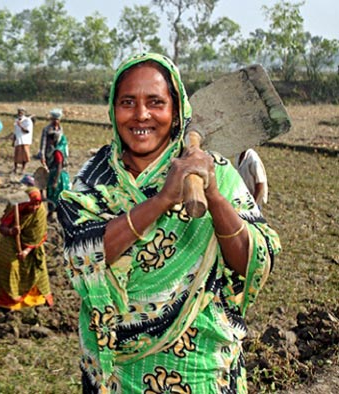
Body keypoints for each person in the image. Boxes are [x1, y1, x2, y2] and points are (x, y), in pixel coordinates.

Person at [56, 53, 281, 393]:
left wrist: (216, 198)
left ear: (176, 113)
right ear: (113, 109)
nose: (141, 115)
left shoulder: (215, 170)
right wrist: (161, 201)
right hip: (117, 372)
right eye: (127, 102)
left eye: (156, 103)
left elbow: (254, 260)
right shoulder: (95, 178)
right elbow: (82, 253)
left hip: (200, 370)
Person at [0, 187, 53, 310]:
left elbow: (37, 236)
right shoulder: (15, 207)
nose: (34, 208)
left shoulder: (40, 212)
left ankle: (36, 298)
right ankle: (10, 301)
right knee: (10, 266)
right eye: (31, 205)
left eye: (37, 205)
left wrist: (26, 251)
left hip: (32, 245)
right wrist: (11, 231)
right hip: (11, 240)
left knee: (37, 268)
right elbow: (2, 228)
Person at [43, 116, 70, 213]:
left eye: (51, 139)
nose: (49, 142)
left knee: (53, 194)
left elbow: (59, 165)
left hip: (57, 176)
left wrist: (55, 181)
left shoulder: (57, 152)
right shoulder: (60, 149)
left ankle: (52, 213)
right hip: (61, 175)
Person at [12, 107, 33, 174]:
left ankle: (23, 169)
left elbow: (27, 131)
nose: (20, 113)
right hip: (18, 140)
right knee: (16, 155)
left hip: (25, 141)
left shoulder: (27, 121)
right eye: (19, 112)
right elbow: (15, 131)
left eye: (21, 112)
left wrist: (20, 125)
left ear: (24, 113)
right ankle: (15, 169)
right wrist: (13, 141)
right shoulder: (16, 120)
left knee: (24, 156)